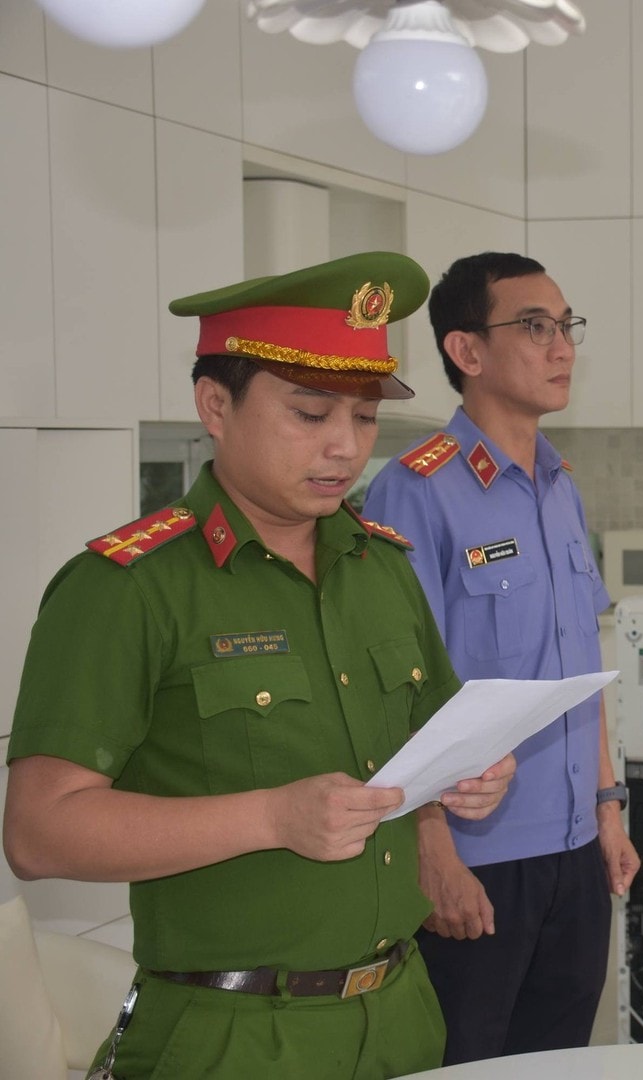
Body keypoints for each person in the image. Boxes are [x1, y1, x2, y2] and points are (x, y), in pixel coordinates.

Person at [2, 251, 517, 1080]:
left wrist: (475, 774)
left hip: (401, 1015)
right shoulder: (128, 588)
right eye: (309, 414)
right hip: (231, 1034)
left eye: (363, 418)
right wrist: (272, 819)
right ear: (215, 405)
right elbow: (37, 831)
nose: (344, 447)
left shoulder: (381, 566)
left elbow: (435, 742)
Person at [362, 251, 639, 1063]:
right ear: (467, 350)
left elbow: (578, 669)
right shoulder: (417, 489)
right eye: (535, 326)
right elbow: (393, 689)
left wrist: (608, 811)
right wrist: (432, 852)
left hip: (574, 852)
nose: (562, 347)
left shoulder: (560, 487)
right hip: (478, 859)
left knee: (557, 1062)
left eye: (566, 326)